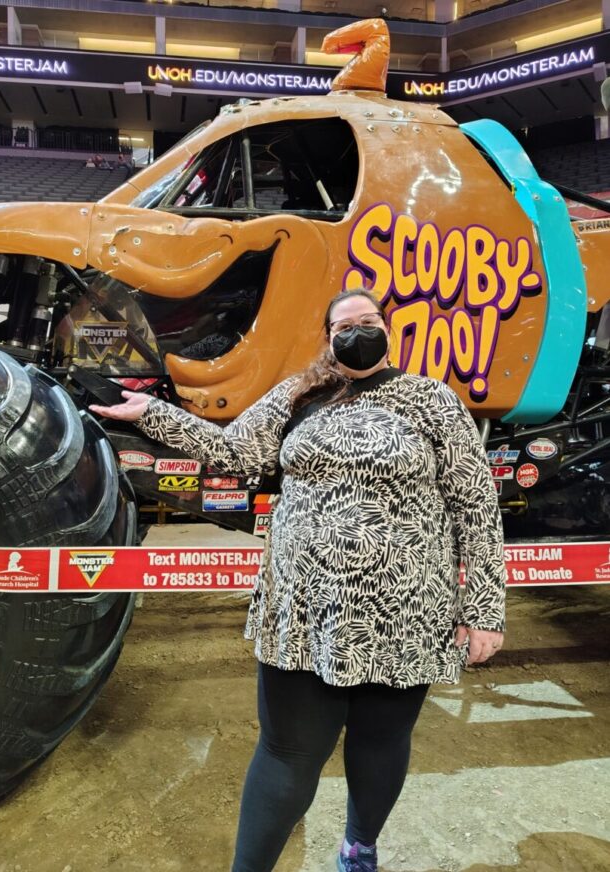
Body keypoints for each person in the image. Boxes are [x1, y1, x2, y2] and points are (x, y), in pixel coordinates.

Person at [89, 288, 506, 872]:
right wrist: (153, 413)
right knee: (287, 751)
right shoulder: (299, 395)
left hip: (408, 611)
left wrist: (484, 609)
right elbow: (232, 450)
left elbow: (474, 504)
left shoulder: (431, 400)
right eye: (343, 325)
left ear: (387, 329)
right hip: (304, 610)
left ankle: (359, 845)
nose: (357, 331)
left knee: (380, 742)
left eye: (368, 321)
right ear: (328, 338)